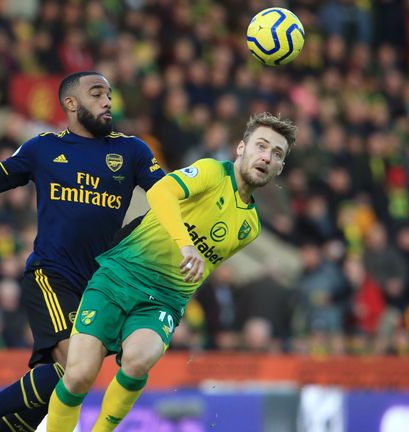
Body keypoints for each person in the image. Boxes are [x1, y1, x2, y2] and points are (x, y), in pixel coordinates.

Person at [0, 71, 165, 432]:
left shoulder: (131, 151)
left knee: (60, 384)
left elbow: (168, 198)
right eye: (96, 94)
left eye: (109, 95)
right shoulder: (43, 148)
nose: (107, 101)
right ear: (70, 103)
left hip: (99, 286)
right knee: (73, 367)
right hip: (52, 275)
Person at [46, 112, 297, 431]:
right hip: (119, 275)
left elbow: (201, 268)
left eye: (277, 154)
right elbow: (161, 192)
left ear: (279, 168)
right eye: (261, 146)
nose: (266, 156)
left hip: (163, 300)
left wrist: (188, 293)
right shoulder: (210, 171)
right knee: (79, 376)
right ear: (240, 148)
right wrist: (185, 244)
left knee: (138, 360)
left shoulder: (250, 227)